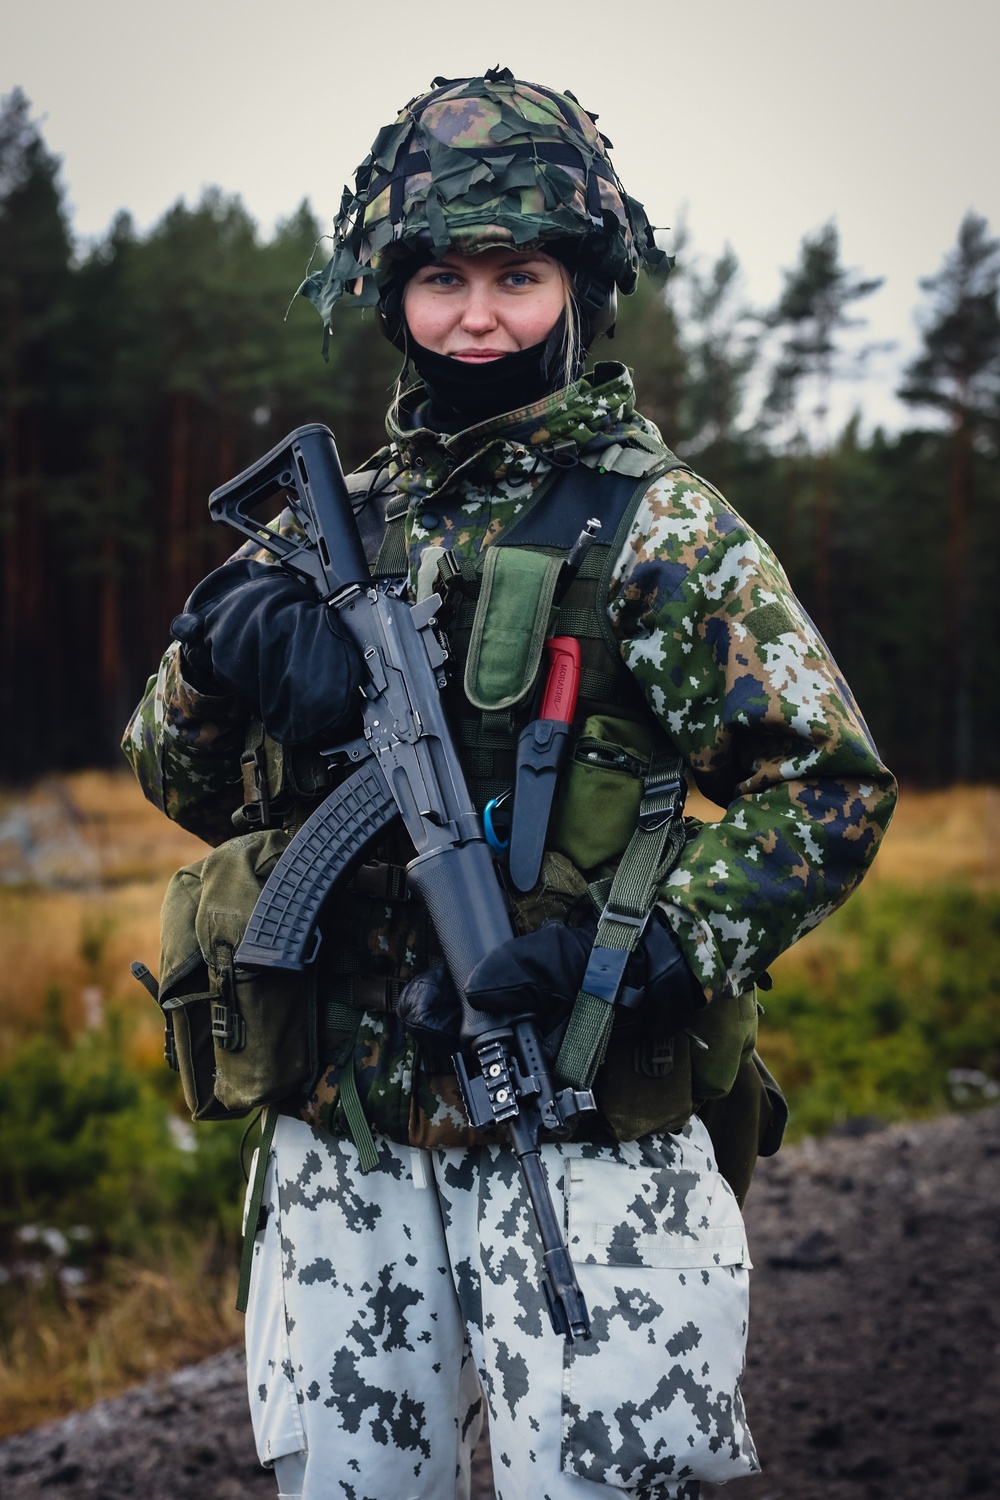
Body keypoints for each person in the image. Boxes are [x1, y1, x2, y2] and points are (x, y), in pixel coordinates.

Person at [123, 69, 896, 1500]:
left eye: (520, 275)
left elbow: (828, 787)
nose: (478, 315)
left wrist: (654, 953)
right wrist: (216, 659)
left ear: (582, 285)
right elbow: (179, 778)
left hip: (581, 1123)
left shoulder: (656, 524)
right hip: (343, 1134)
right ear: (389, 289)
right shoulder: (328, 519)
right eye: (443, 278)